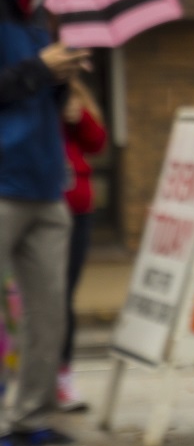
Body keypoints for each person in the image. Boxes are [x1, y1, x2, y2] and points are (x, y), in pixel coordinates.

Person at [0, 0, 92, 446]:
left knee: (48, 311)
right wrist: (40, 71)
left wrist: (62, 79)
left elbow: (33, 96)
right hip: (3, 182)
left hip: (44, 182)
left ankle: (28, 419)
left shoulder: (38, 13)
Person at [59, 75, 108, 411]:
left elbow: (97, 143)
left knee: (63, 296)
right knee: (32, 299)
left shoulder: (72, 95)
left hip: (77, 208)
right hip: (40, 201)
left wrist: (78, 118)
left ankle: (62, 376)